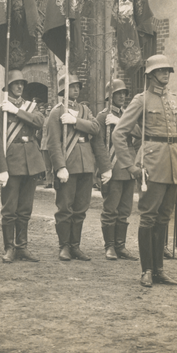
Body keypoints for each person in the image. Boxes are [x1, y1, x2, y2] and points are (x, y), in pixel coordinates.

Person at [112, 55, 177, 288]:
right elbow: (119, 134)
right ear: (150, 75)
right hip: (152, 165)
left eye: (168, 70)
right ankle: (146, 270)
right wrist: (131, 166)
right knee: (148, 218)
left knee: (164, 218)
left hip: (174, 166)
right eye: (161, 70)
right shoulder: (141, 100)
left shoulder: (176, 100)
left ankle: (159, 270)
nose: (165, 74)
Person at [0, 70, 46, 263]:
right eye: (15, 84)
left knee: (25, 209)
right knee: (9, 209)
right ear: (8, 87)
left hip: (30, 163)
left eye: (22, 84)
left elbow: (39, 122)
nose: (19, 87)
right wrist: (1, 169)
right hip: (11, 164)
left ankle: (22, 247)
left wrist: (17, 112)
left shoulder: (31, 107)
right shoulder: (0, 110)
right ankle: (9, 248)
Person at [46, 73, 102, 261]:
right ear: (63, 90)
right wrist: (60, 166)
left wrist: (76, 122)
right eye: (72, 86)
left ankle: (75, 246)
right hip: (68, 167)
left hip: (86, 165)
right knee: (65, 208)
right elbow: (53, 143)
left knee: (81, 208)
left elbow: (95, 128)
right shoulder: (57, 112)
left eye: (78, 86)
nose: (76, 89)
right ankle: (64, 246)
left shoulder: (85, 110)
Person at [95, 79, 140, 261]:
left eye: (124, 93)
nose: (122, 96)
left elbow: (139, 132)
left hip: (128, 167)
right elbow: (98, 145)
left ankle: (120, 246)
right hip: (112, 168)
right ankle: (110, 246)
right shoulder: (102, 116)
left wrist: (120, 122)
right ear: (110, 96)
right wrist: (104, 169)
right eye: (118, 93)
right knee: (110, 209)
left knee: (125, 210)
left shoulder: (126, 115)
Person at [40, 104, 54, 188]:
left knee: (54, 164)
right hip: (44, 144)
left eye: (50, 110)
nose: (48, 112)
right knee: (47, 166)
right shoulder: (43, 120)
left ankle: (55, 181)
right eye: (47, 110)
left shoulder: (55, 120)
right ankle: (49, 182)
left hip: (52, 145)